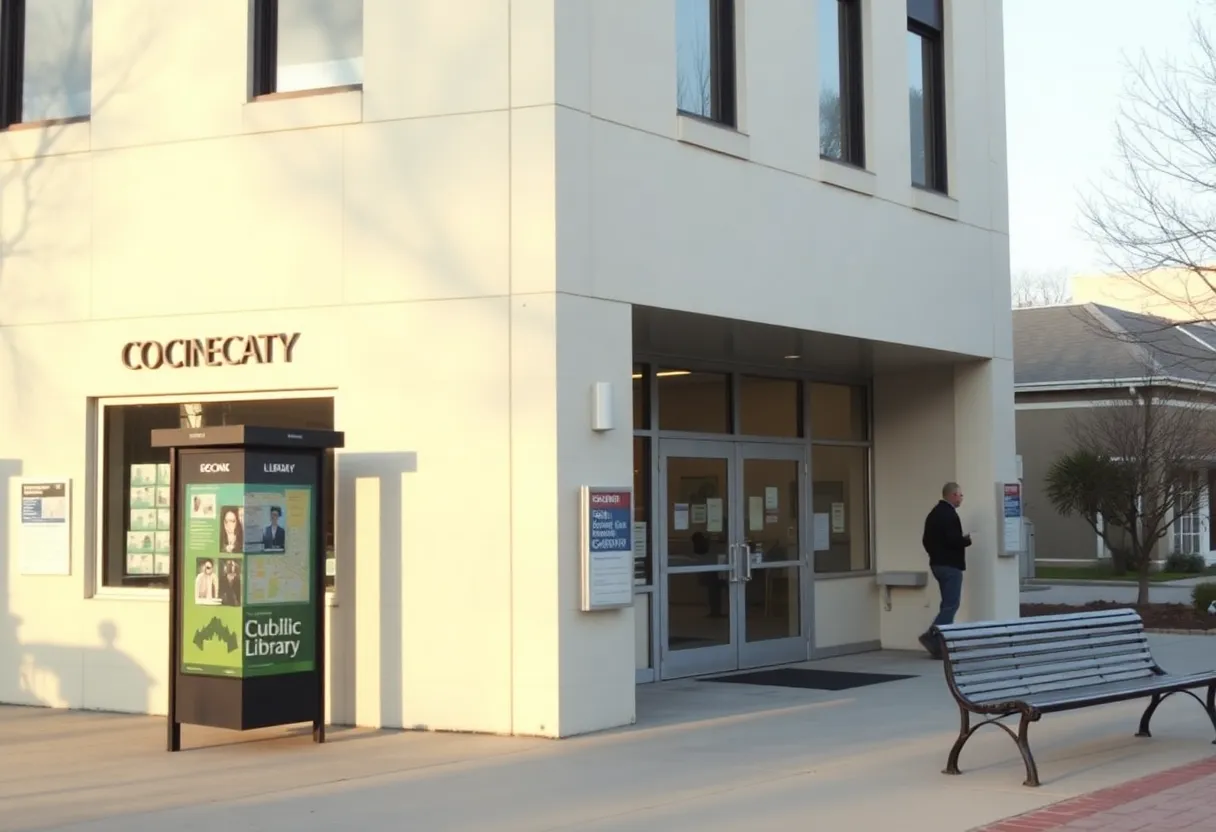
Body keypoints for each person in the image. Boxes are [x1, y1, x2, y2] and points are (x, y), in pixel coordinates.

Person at [918, 481, 972, 659]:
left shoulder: (934, 513)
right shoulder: (949, 515)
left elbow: (926, 540)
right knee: (951, 604)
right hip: (950, 565)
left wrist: (935, 554)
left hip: (937, 564)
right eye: (960, 495)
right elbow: (953, 540)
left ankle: (939, 643)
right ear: (953, 495)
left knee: (946, 604)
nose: (962, 498)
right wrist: (966, 541)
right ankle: (933, 637)